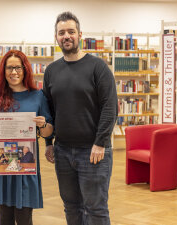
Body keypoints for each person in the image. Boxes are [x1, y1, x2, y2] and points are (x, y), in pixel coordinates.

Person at [43, 12, 118, 225]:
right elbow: (49, 110)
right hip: (63, 151)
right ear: (56, 38)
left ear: (80, 35)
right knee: (71, 207)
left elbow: (110, 107)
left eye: (71, 32)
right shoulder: (51, 71)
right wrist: (49, 143)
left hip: (93, 152)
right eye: (61, 33)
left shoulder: (98, 67)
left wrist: (100, 143)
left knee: (95, 209)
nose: (66, 36)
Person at [0, 50, 53, 225]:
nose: (14, 72)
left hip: (26, 164)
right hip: (1, 163)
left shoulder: (38, 96)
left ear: (25, 69)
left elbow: (48, 132)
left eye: (18, 67)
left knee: (25, 217)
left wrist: (42, 124)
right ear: (3, 71)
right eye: (9, 68)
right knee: (4, 218)